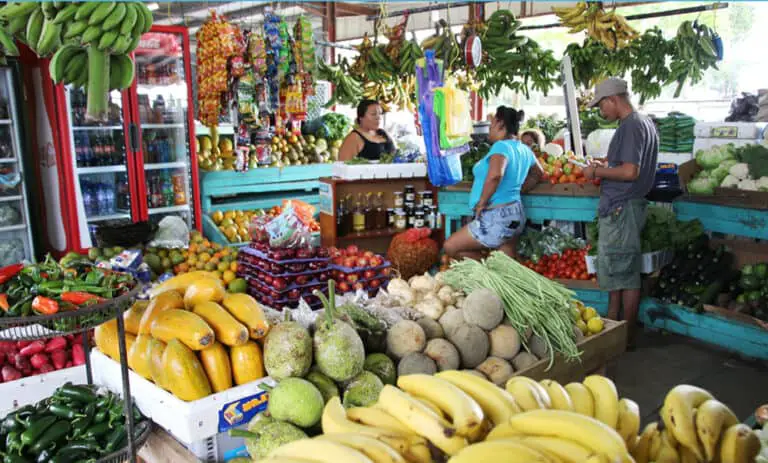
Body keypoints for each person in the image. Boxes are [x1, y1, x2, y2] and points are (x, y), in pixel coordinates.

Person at [583, 77, 658, 347]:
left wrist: (595, 171)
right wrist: (606, 163)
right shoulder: (643, 123)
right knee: (618, 270)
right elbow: (628, 164)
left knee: (625, 274)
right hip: (626, 208)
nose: (601, 112)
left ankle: (625, 337)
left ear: (613, 100)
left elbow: (630, 171)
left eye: (601, 106)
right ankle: (613, 324)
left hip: (621, 210)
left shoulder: (631, 127)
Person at [444, 106, 543, 260]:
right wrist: (518, 189)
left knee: (451, 247)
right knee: (504, 265)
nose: (489, 130)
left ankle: (487, 271)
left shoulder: (501, 146)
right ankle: (497, 278)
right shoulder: (524, 149)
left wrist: (482, 203)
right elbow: (538, 173)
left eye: (491, 126)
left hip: (496, 215)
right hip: (515, 212)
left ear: (500, 125)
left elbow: (496, 175)